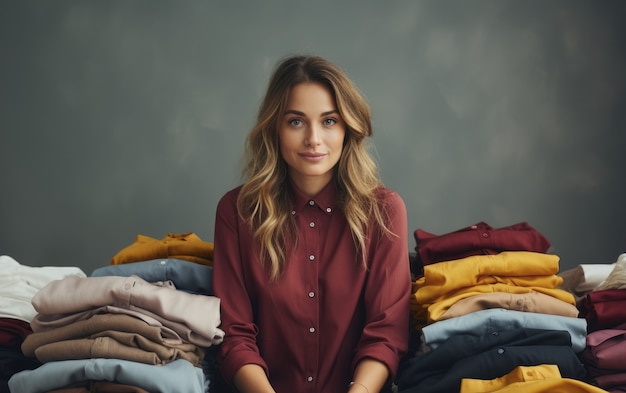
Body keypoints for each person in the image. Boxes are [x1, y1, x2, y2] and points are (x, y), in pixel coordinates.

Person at [212, 55, 411, 393]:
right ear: (274, 127)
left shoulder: (385, 211)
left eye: (329, 121)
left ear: (348, 126)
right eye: (296, 122)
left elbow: (386, 333)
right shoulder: (237, 212)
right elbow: (235, 336)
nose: (314, 139)